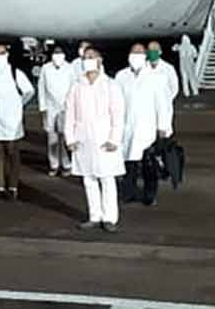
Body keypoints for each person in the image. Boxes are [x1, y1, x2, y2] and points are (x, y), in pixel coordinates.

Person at [64, 48, 125, 233]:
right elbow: (70, 114)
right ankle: (94, 216)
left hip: (104, 139)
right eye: (85, 57)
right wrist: (70, 138)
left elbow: (118, 114)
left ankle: (110, 218)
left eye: (91, 57)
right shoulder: (76, 86)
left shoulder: (110, 85)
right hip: (83, 140)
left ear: (99, 60)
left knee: (106, 179)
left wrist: (114, 138)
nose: (87, 60)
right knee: (88, 179)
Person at [115, 44, 172, 207]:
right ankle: (128, 193)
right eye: (133, 52)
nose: (136, 56)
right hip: (126, 127)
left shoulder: (155, 77)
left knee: (149, 165)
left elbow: (162, 104)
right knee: (128, 163)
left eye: (140, 53)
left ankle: (150, 195)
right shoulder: (121, 76)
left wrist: (163, 126)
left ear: (145, 56)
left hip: (148, 127)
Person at [0, 43, 35, 200]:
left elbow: (29, 91)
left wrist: (19, 104)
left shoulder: (15, 73)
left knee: (12, 155)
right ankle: (0, 187)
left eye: (1, 53)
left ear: (6, 55)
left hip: (12, 122)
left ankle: (13, 186)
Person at [37, 46, 73, 177]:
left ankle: (67, 164)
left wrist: (71, 107)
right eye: (55, 53)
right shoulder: (45, 68)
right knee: (52, 138)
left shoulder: (70, 68)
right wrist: (43, 108)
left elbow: (73, 88)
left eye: (60, 52)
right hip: (50, 108)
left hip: (66, 107)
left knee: (64, 138)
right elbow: (41, 88)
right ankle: (54, 165)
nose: (58, 55)